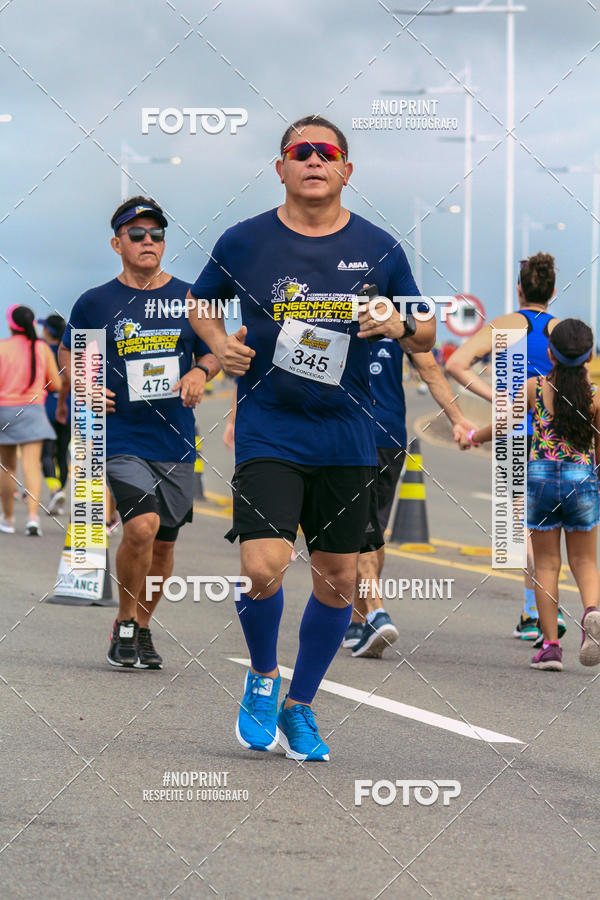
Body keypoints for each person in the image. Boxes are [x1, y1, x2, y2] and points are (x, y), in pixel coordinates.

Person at [187, 115, 435, 761]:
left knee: (338, 578)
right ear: (282, 168)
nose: (315, 160)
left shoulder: (380, 247)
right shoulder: (244, 241)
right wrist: (218, 345)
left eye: (329, 152)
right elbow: (200, 302)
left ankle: (302, 708)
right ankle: (264, 677)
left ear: (347, 170)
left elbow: (428, 331)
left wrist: (396, 321)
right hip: (272, 426)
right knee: (262, 566)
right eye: (302, 151)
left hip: (350, 432)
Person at [59, 196, 220, 669]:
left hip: (174, 438)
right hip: (120, 436)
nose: (149, 242)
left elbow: (215, 350)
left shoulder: (190, 297)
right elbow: (69, 358)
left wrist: (201, 373)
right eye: (137, 235)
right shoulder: (95, 301)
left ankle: (142, 626)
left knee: (165, 545)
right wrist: (84, 385)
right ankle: (125, 620)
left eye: (156, 235)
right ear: (117, 243)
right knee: (141, 527)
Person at [462, 319, 600, 672]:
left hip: (540, 479)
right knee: (584, 561)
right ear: (589, 356)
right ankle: (592, 614)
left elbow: (503, 426)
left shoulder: (534, 389)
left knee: (547, 565)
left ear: (551, 352)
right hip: (581, 478)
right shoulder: (595, 396)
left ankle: (551, 646)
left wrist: (474, 436)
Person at [446, 252, 565, 643]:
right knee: (546, 530)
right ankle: (532, 613)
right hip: (558, 438)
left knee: (521, 533)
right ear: (551, 291)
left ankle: (548, 607)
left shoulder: (504, 326)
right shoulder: (563, 330)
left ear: (519, 289)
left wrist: (497, 396)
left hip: (514, 434)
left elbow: (457, 364)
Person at [345, 345, 476, 658]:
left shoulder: (340, 316)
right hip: (390, 439)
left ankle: (376, 614)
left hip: (352, 439)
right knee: (372, 533)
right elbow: (431, 371)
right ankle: (357, 620)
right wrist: (457, 418)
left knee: (357, 533)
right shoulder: (398, 327)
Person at [0, 305, 61, 535]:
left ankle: (7, 518)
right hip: (33, 409)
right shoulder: (42, 348)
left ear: (10, 324)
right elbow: (55, 383)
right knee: (31, 465)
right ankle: (33, 519)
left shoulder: (2, 347)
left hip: (4, 410)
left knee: (7, 467)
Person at [39, 314, 70, 515]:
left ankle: (54, 490)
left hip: (47, 409)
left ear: (48, 331)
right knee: (62, 454)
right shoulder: (68, 352)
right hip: (69, 409)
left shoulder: (42, 351)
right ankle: (60, 491)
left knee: (46, 455)